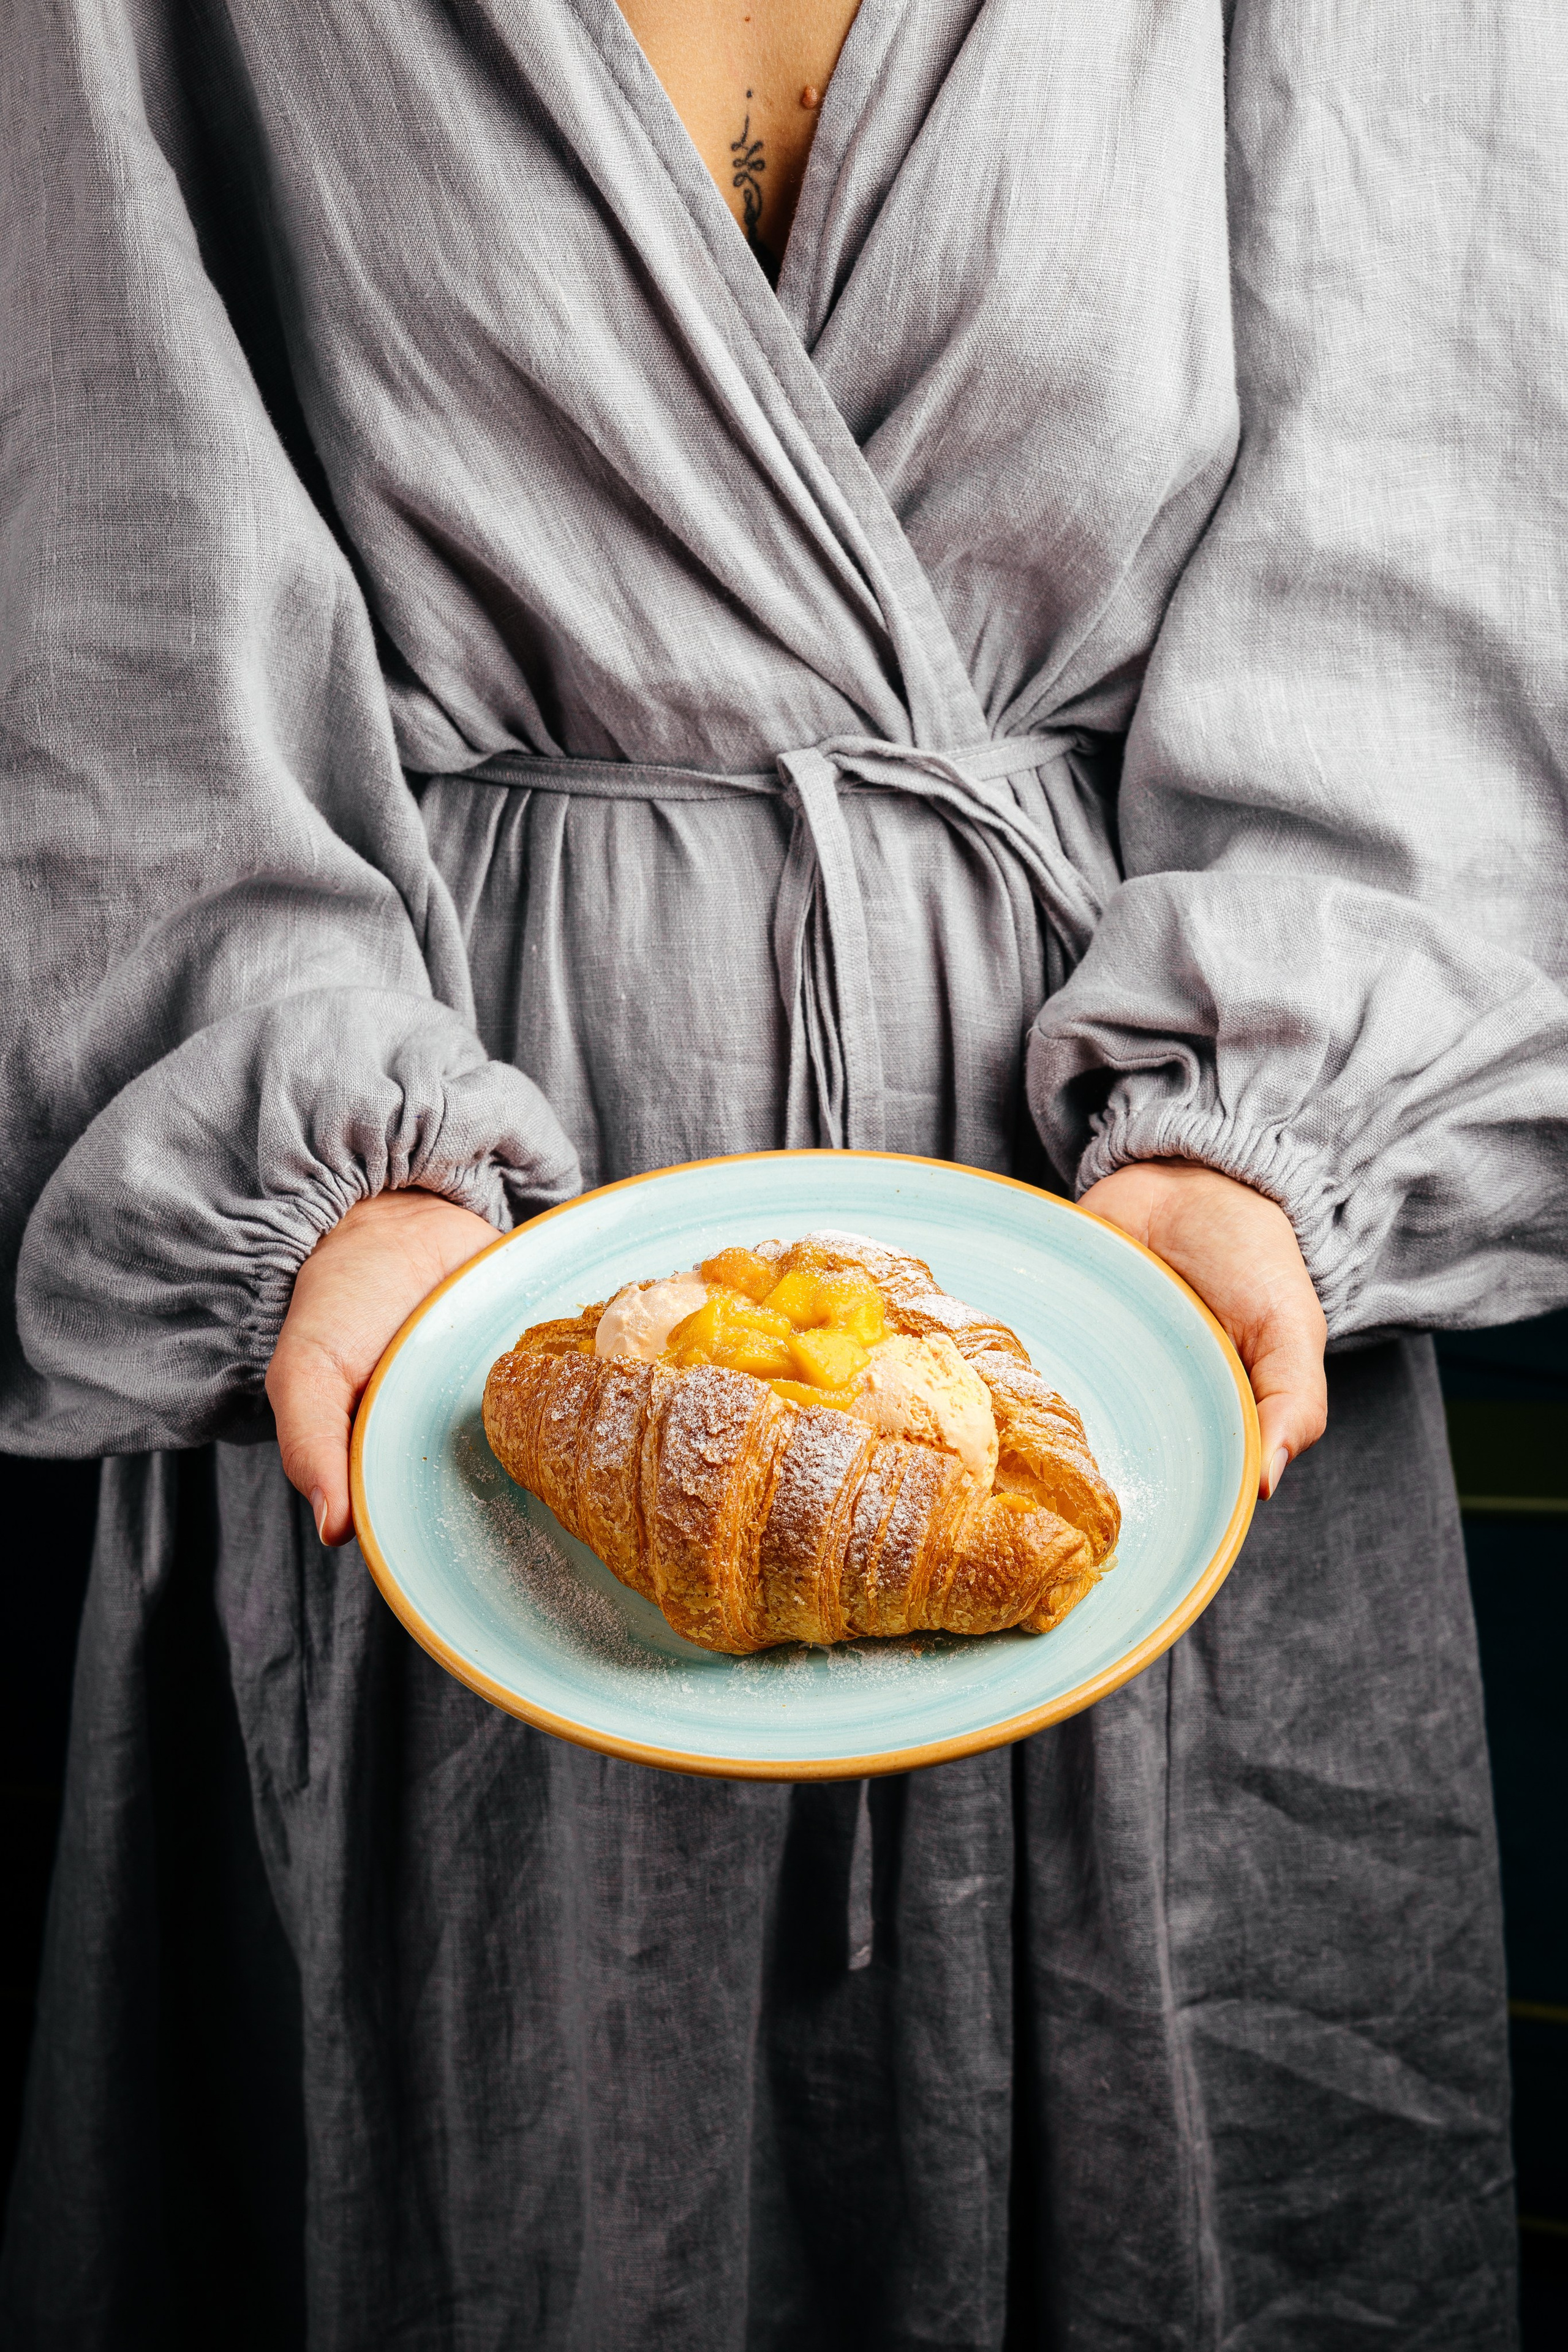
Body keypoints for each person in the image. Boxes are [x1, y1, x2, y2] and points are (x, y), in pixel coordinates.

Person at [2, 1, 1562, 2343]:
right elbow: (108, 552)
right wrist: (311, 1155)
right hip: (439, 1305)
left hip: (1153, 1292)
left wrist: (1263, 1136)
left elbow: (1428, 484)